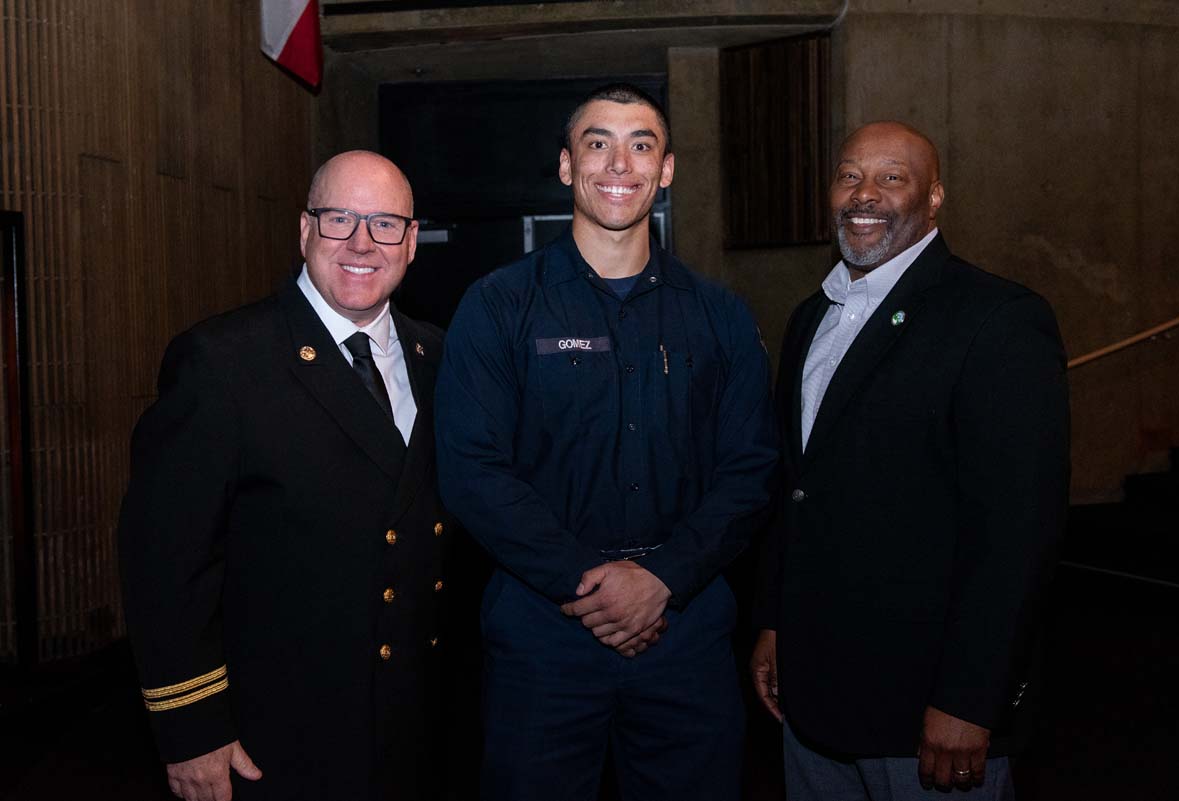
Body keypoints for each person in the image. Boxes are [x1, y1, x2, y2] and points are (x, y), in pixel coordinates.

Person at [435, 84, 777, 801]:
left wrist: (661, 581)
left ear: (668, 169)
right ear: (567, 166)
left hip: (684, 633)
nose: (619, 162)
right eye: (598, 142)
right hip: (542, 634)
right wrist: (591, 584)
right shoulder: (498, 305)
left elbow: (749, 470)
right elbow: (472, 470)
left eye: (641, 144)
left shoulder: (719, 314)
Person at [750, 121, 1070, 799]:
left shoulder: (997, 319)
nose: (865, 194)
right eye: (849, 176)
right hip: (813, 701)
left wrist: (971, 698)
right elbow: (797, 488)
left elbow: (1016, 529)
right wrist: (777, 620)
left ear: (933, 199)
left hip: (926, 714)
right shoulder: (812, 316)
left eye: (892, 178)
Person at [119, 151, 452, 801]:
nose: (361, 242)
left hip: (413, 729)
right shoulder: (222, 361)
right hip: (274, 739)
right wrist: (190, 727)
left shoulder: (438, 355)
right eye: (339, 219)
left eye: (385, 223)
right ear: (304, 230)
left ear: (411, 242)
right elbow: (164, 559)